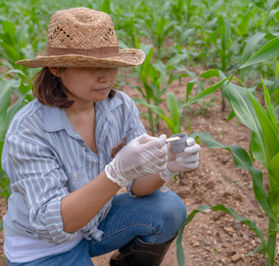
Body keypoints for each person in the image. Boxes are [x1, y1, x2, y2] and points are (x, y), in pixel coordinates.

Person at [2, 7, 200, 266]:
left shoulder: (119, 106)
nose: (105, 76)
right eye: (89, 66)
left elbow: (139, 187)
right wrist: (115, 173)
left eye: (110, 65)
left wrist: (166, 166)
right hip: (46, 245)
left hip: (96, 221)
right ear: (56, 68)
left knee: (167, 208)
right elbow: (60, 224)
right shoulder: (29, 130)